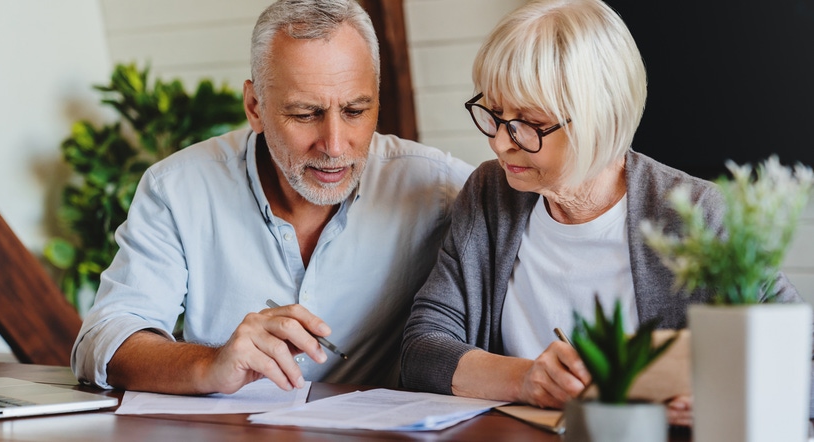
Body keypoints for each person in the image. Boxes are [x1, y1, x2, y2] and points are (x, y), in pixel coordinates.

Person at [399, 0, 808, 427]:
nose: (501, 143)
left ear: (600, 119)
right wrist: (525, 379)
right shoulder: (489, 194)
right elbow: (422, 350)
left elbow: (804, 361)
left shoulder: (699, 216)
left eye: (528, 123)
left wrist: (726, 397)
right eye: (496, 115)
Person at [71, 0, 473, 395]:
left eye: (354, 110)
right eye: (304, 114)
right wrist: (209, 365)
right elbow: (103, 340)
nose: (334, 145)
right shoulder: (177, 188)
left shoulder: (438, 189)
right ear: (254, 106)